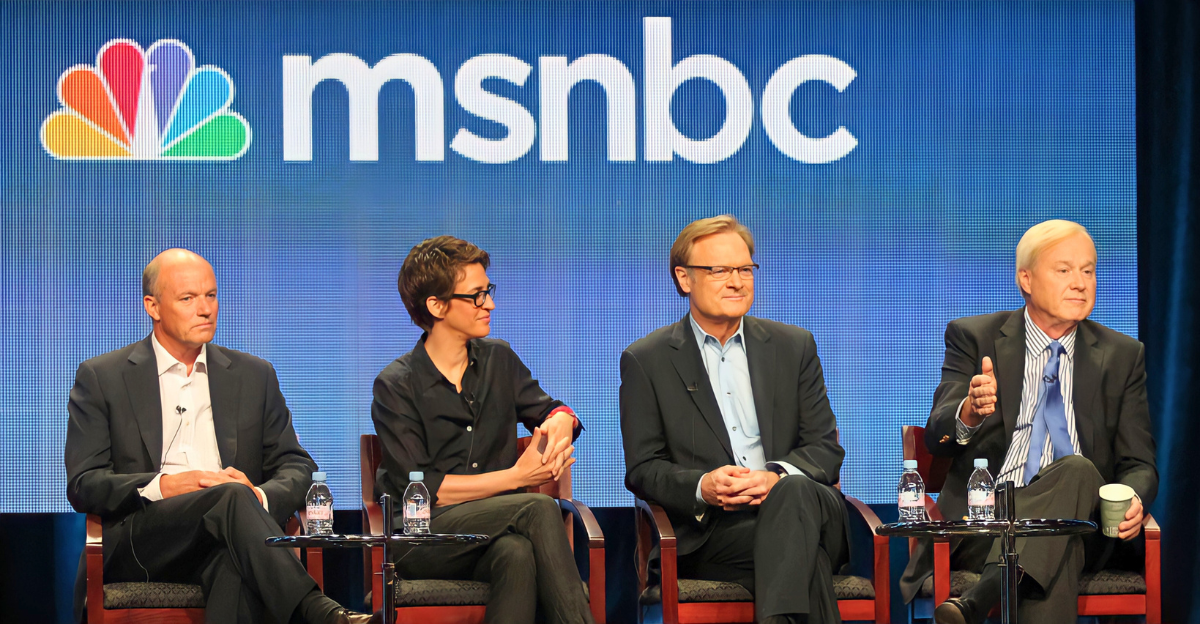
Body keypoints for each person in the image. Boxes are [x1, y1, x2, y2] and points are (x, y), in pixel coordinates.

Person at [65, 249, 374, 624]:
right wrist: (167, 485)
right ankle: (319, 612)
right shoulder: (103, 377)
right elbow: (84, 484)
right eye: (187, 298)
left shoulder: (253, 375)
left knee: (234, 557)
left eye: (210, 295)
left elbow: (298, 466)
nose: (205, 309)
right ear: (152, 306)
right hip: (144, 541)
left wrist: (257, 496)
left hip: (231, 534)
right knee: (229, 498)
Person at [899, 220, 1158, 624]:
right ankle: (998, 583)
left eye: (1088, 271)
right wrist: (969, 412)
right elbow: (936, 436)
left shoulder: (1122, 355)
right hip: (987, 524)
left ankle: (979, 599)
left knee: (1075, 474)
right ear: (1026, 279)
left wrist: (1134, 498)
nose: (1080, 283)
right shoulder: (974, 337)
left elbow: (1139, 464)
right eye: (1064, 270)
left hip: (1086, 525)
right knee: (1053, 549)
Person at [620, 215, 848, 624]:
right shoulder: (647, 360)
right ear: (684, 278)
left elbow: (825, 449)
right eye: (719, 270)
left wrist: (775, 477)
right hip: (717, 532)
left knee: (793, 491)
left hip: (812, 512)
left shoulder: (793, 346)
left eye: (745, 269)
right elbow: (644, 468)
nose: (737, 282)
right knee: (804, 558)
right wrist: (703, 486)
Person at [371, 235, 595, 624]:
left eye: (488, 291)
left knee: (517, 554)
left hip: (495, 533)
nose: (489, 304)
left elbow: (551, 410)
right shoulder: (396, 385)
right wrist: (517, 477)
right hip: (425, 536)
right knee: (539, 506)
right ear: (436, 306)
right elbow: (423, 488)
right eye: (476, 296)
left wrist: (562, 420)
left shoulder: (499, 359)